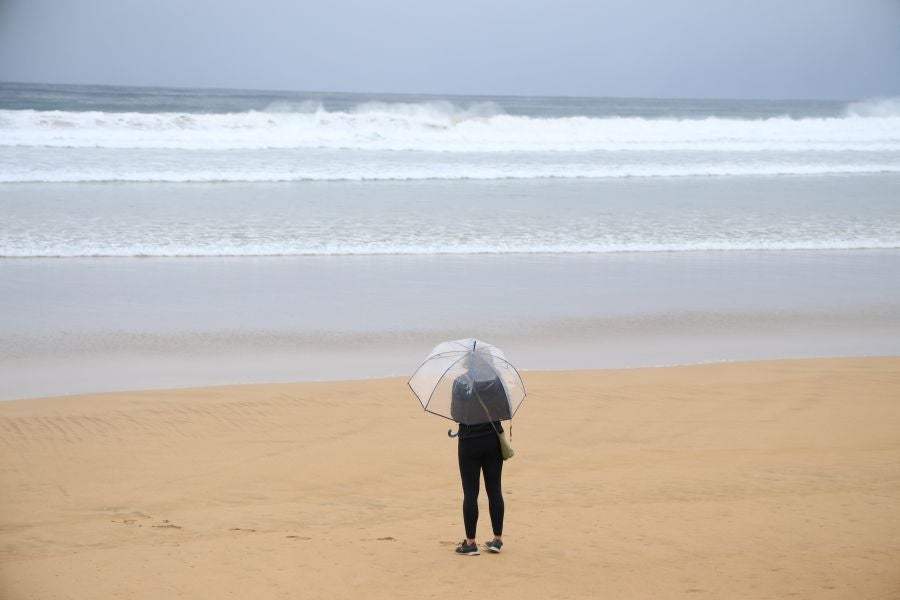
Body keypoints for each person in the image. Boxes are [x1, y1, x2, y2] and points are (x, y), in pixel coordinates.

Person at [450, 355, 509, 556]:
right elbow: (504, 409)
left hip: (469, 441)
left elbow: (455, 414)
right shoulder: (496, 380)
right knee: (495, 490)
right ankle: (497, 540)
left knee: (470, 493)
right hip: (493, 440)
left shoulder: (461, 381)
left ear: (468, 362)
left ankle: (470, 543)